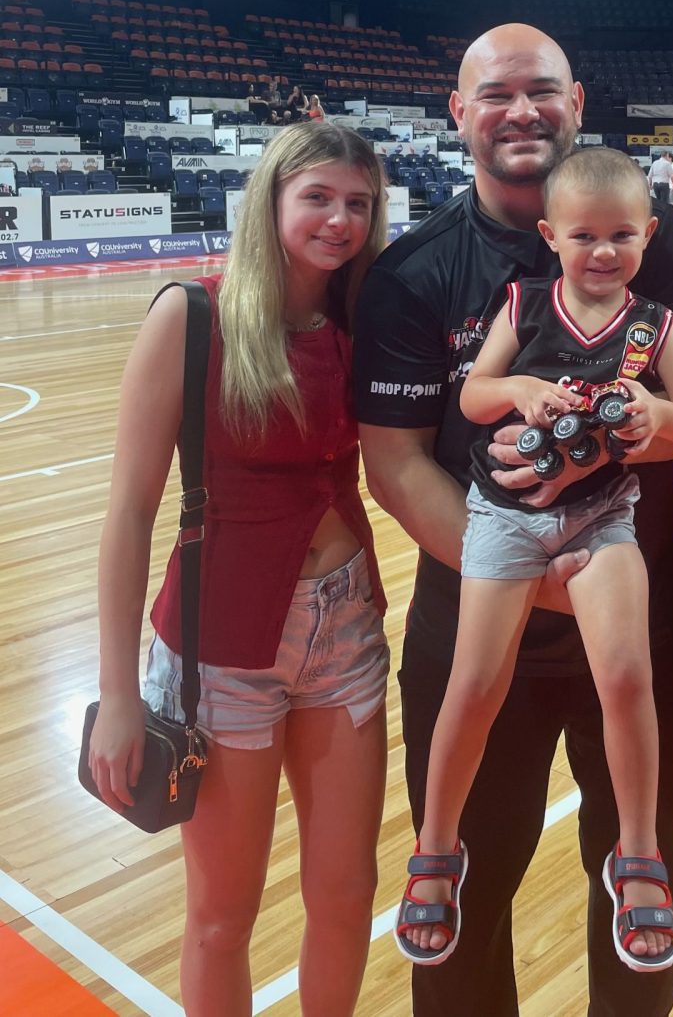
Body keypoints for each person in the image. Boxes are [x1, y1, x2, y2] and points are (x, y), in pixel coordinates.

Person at [353, 23, 673, 1017]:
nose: (522, 111)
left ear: (577, 103)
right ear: (459, 113)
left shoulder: (655, 236)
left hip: (628, 608)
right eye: (497, 93)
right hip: (485, 603)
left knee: (641, 917)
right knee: (462, 926)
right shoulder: (415, 272)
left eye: (543, 91)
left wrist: (628, 434)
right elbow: (395, 466)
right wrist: (532, 576)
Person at [87, 124, 391, 1017]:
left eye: (359, 203)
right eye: (318, 197)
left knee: (348, 895)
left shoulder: (364, 319)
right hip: (222, 648)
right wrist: (118, 694)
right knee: (223, 915)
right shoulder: (193, 317)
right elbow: (128, 513)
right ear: (271, 200)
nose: (340, 220)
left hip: (346, 631)